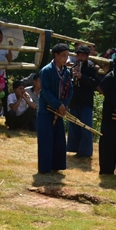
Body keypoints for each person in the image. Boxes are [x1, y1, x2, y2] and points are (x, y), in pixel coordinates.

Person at [36, 43, 73, 173]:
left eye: (67, 56)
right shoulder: (46, 71)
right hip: (46, 110)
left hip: (60, 110)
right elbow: (45, 91)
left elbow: (70, 90)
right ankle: (45, 168)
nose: (65, 58)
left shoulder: (66, 72)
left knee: (58, 140)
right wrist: (57, 104)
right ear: (56, 55)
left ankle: (57, 166)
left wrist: (64, 104)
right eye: (63, 55)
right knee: (46, 140)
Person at [66, 44, 99, 157]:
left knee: (86, 127)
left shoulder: (91, 67)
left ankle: (85, 152)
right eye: (78, 55)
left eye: (82, 55)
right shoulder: (74, 65)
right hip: (74, 100)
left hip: (86, 101)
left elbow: (95, 83)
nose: (80, 57)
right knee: (74, 126)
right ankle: (74, 148)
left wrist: (82, 77)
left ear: (87, 56)